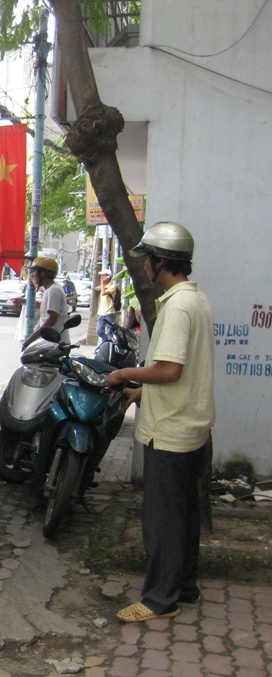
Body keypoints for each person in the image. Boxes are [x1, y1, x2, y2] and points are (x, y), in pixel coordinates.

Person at [106, 222, 215, 623]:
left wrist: (124, 375)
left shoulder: (178, 307)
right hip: (191, 427)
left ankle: (158, 600)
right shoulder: (195, 299)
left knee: (163, 520)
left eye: (148, 259)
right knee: (184, 515)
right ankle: (184, 587)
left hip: (169, 432)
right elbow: (184, 373)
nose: (146, 267)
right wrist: (141, 394)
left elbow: (169, 370)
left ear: (162, 261)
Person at [18, 256, 69, 349]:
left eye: (35, 272)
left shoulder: (53, 291)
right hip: (49, 342)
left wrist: (30, 339)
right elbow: (44, 321)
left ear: (42, 274)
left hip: (55, 344)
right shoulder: (50, 289)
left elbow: (51, 320)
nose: (32, 275)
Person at [96, 268, 118, 341]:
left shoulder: (112, 286)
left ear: (108, 277)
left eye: (103, 276)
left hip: (109, 312)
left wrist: (102, 283)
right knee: (99, 331)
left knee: (109, 332)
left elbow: (103, 293)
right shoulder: (103, 286)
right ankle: (107, 342)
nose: (102, 277)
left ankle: (109, 344)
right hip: (101, 312)